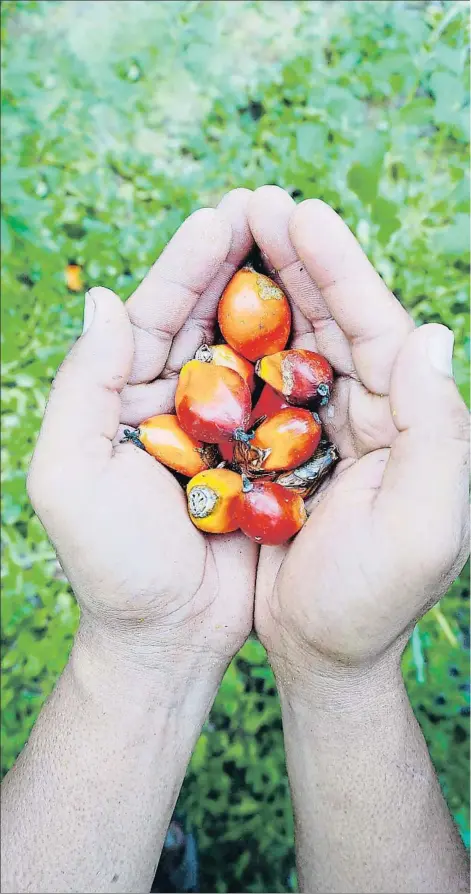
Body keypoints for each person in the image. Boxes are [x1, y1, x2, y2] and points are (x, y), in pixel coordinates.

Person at [1, 186, 469, 894]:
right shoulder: (244, 448)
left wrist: (336, 668)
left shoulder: (245, 443)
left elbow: (263, 434)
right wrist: (146, 644)